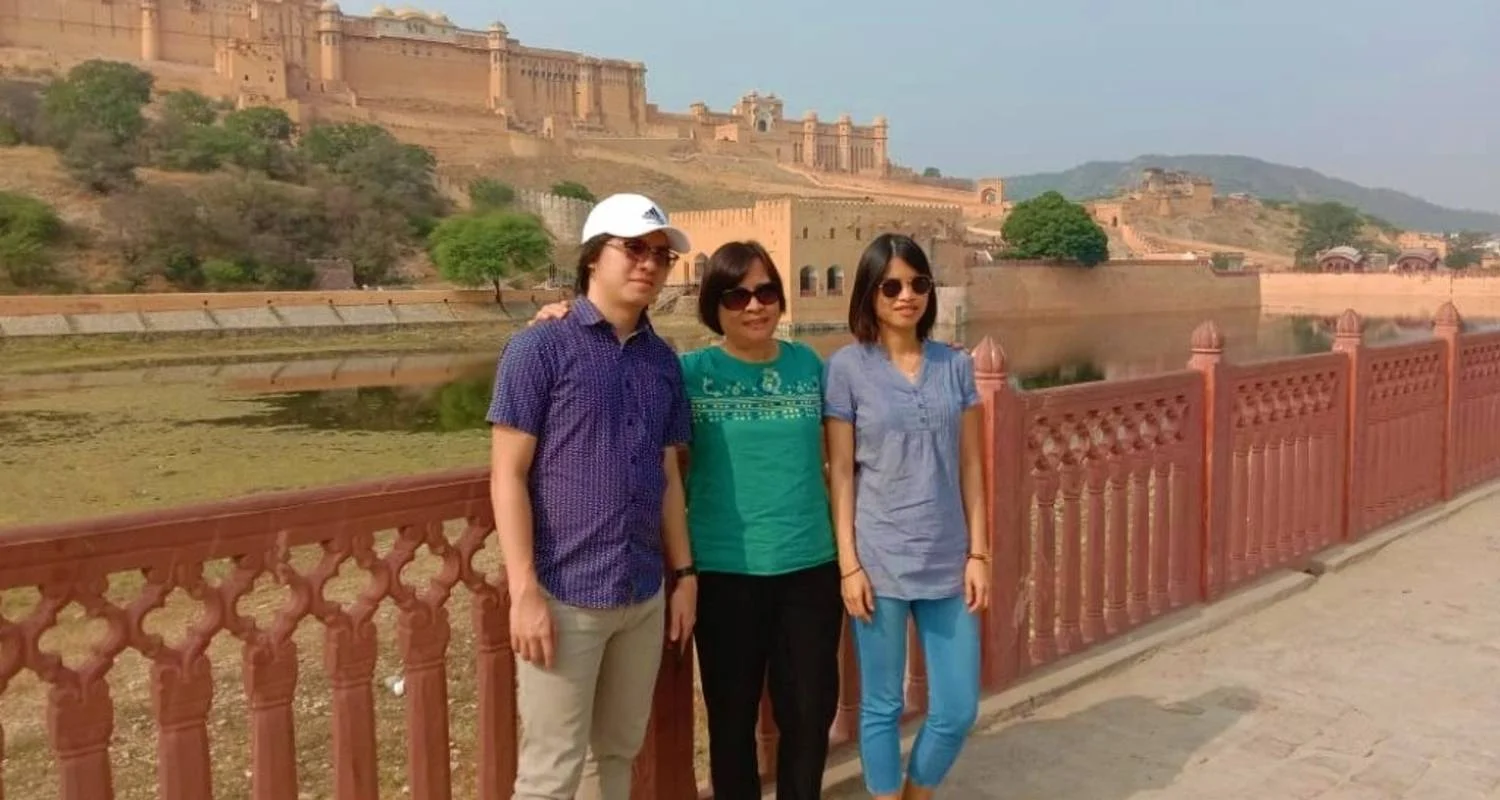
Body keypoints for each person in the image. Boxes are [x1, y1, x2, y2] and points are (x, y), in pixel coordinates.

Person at [528, 240, 843, 800]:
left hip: (809, 567)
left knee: (809, 715)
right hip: (724, 571)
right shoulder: (687, 372)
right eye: (736, 296)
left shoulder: (809, 367)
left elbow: (852, 445)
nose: (754, 306)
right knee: (731, 721)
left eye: (766, 292)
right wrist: (558, 316)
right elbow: (656, 454)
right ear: (714, 306)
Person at [487, 192, 699, 800]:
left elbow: (666, 471)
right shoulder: (539, 348)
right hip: (565, 593)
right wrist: (524, 592)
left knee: (615, 756)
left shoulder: (661, 360)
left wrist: (684, 573)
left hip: (641, 591)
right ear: (592, 257)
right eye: (633, 249)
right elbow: (507, 475)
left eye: (661, 255)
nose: (649, 265)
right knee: (551, 771)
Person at [823, 232, 990, 800]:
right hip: (879, 558)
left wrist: (979, 552)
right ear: (869, 293)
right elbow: (842, 473)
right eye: (891, 286)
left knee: (958, 707)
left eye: (918, 283)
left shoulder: (954, 366)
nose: (906, 296)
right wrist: (849, 564)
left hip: (947, 558)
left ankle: (917, 792)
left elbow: (971, 464)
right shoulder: (847, 368)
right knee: (882, 703)